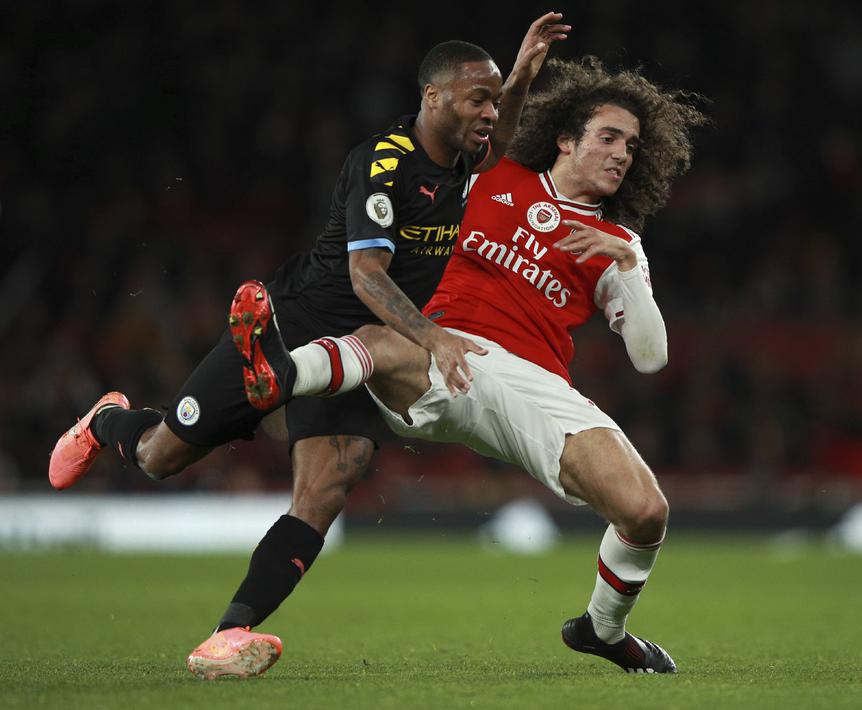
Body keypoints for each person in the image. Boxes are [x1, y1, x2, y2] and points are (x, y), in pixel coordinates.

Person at [47, 14, 570, 680]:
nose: (492, 113)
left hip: (365, 353)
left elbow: (498, 144)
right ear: (432, 98)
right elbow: (365, 275)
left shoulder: (469, 159)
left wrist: (521, 75)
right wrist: (431, 335)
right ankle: (106, 422)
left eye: (496, 101)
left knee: (328, 485)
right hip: (293, 323)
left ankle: (226, 634)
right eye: (479, 99)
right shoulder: (382, 165)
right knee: (159, 458)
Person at [228, 56, 707, 673]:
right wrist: (517, 81)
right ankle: (278, 373)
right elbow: (463, 136)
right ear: (565, 138)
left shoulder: (616, 243)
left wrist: (624, 262)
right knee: (377, 338)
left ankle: (602, 630)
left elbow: (650, 358)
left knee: (646, 513)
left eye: (632, 146)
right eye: (608, 137)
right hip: (442, 352)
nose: (622, 154)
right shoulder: (493, 178)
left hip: (530, 390)